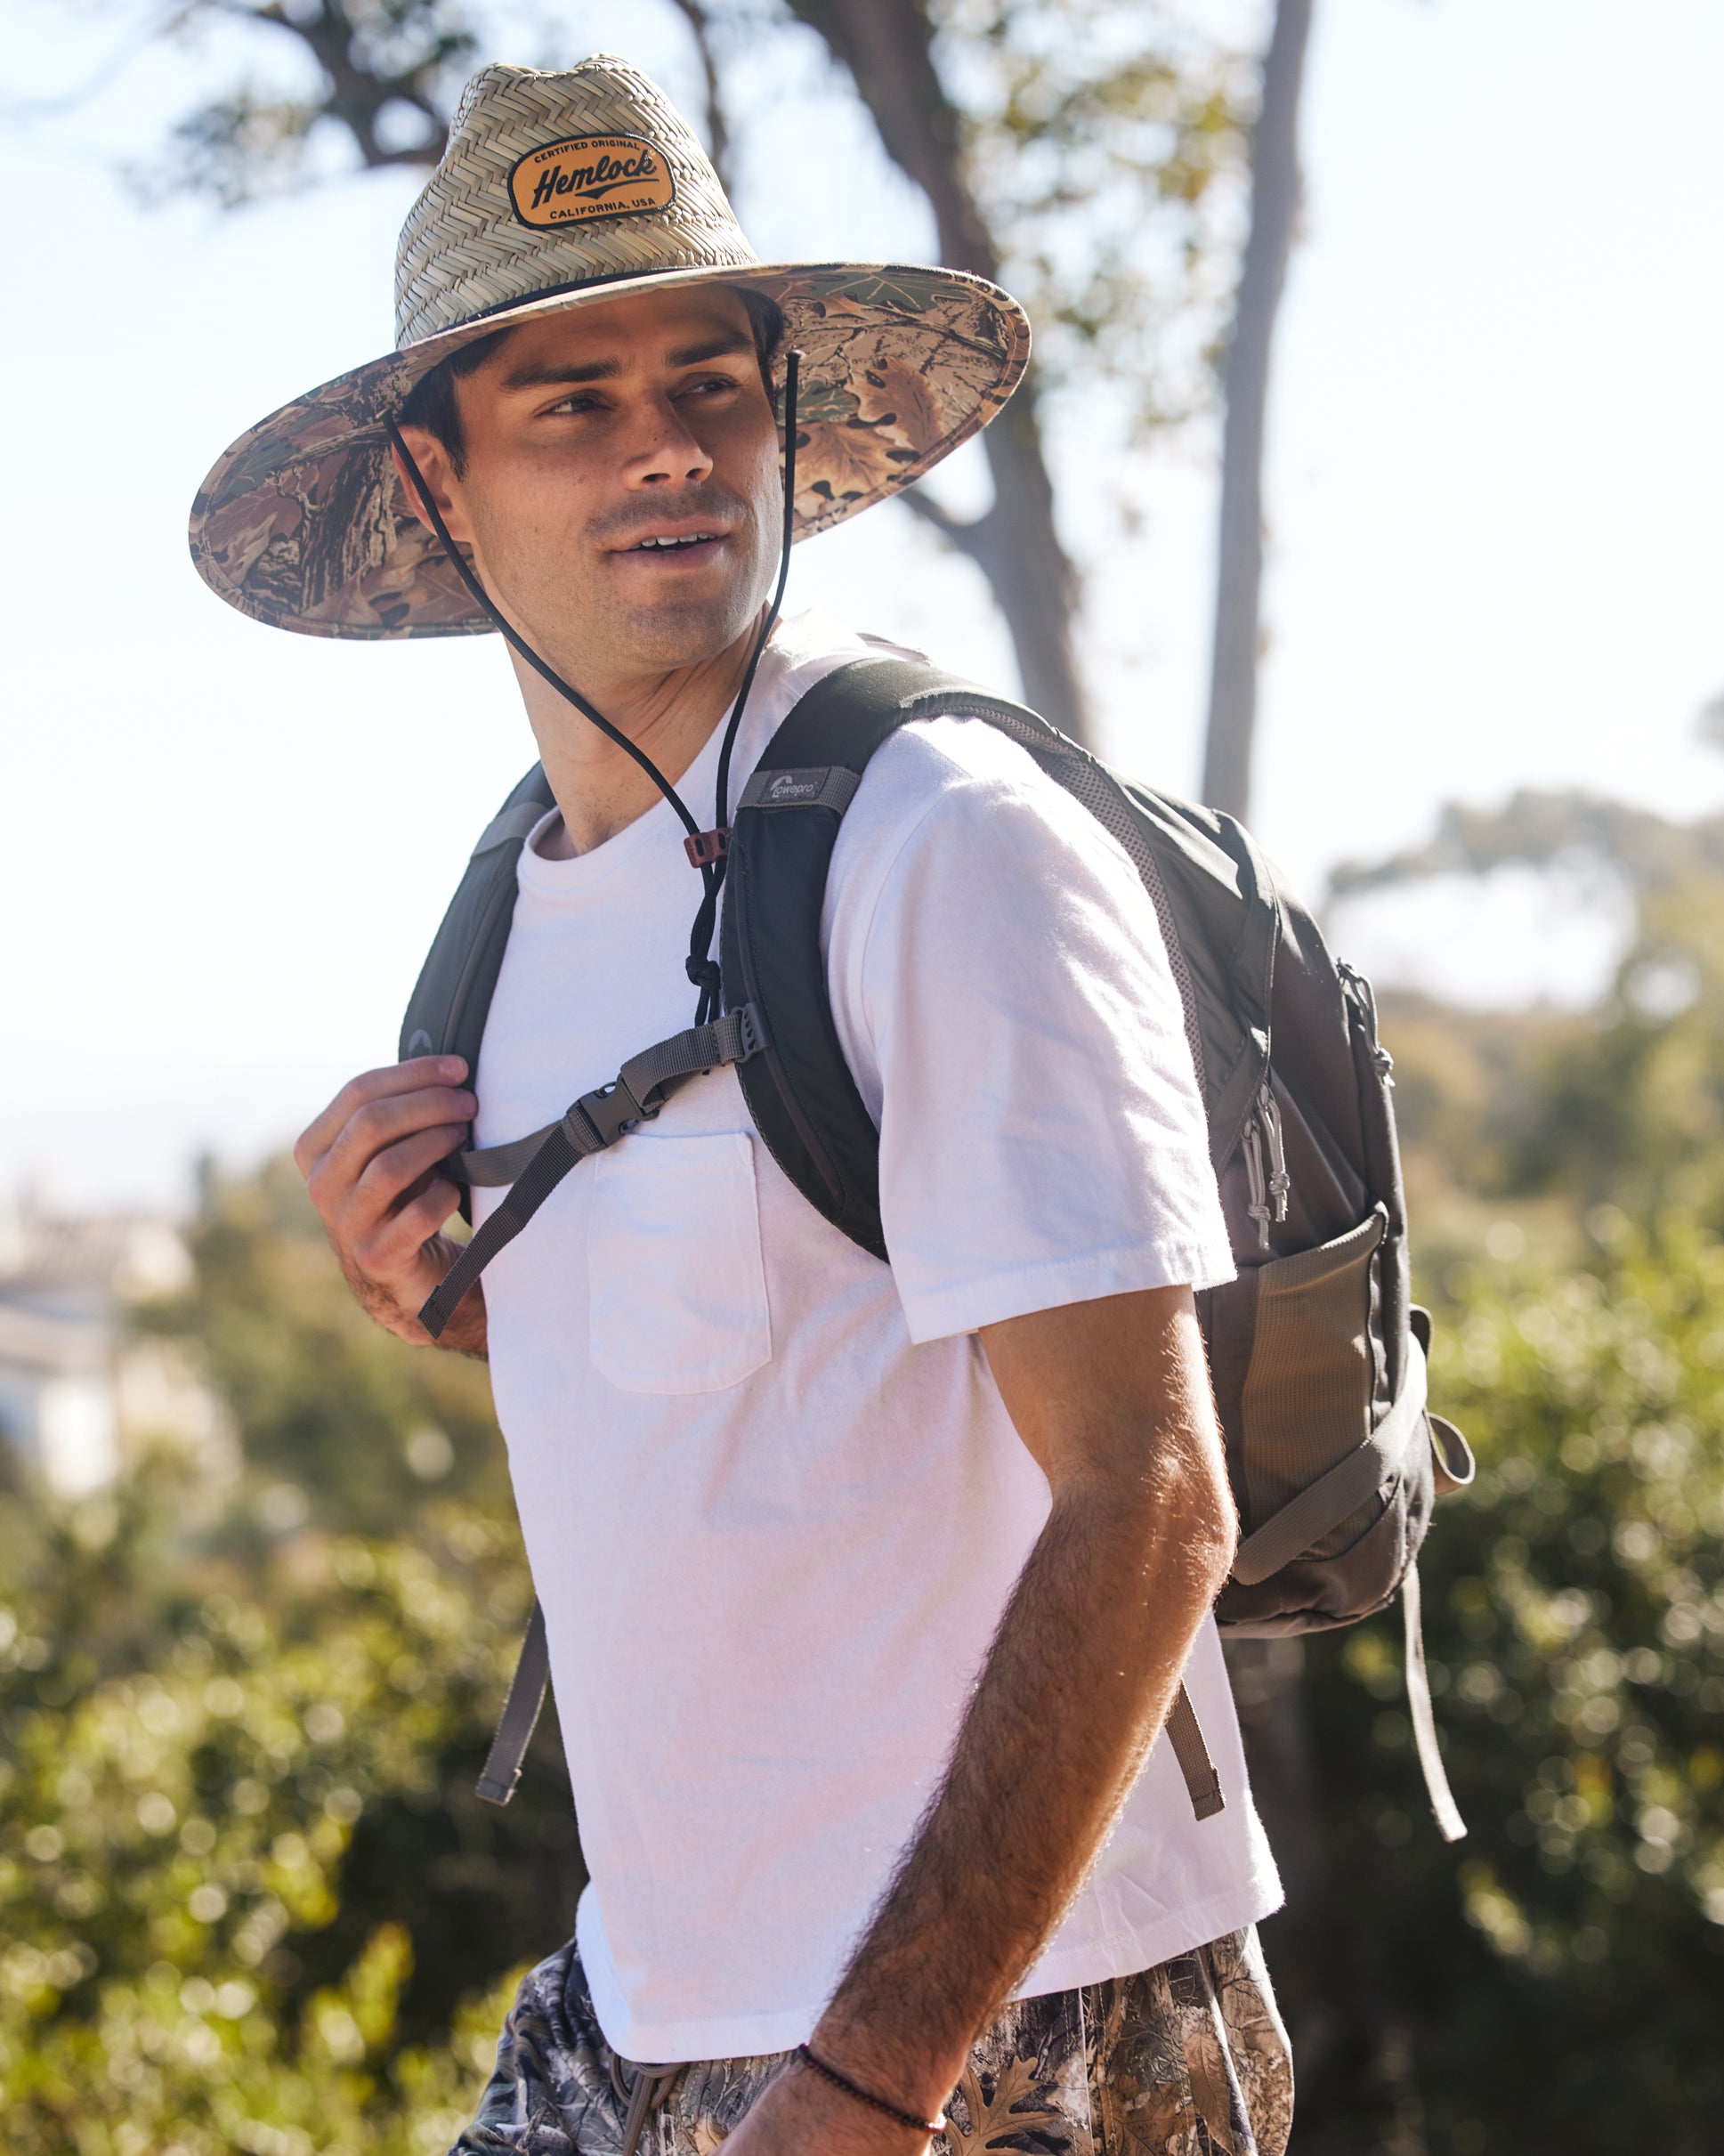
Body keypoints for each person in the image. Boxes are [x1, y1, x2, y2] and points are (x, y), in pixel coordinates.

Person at [190, 53, 1291, 2156]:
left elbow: (1153, 1492)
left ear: (784, 416)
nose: (669, 452)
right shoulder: (509, 909)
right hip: (654, 1995)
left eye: (709, 383)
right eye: (574, 404)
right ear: (436, 482)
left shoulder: (935, 833)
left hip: (1019, 2022)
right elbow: (768, 1391)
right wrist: (454, 1294)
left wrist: (877, 2077)